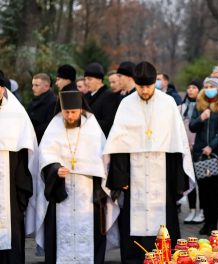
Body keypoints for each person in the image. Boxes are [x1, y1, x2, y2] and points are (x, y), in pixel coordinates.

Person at [104, 61, 196, 263]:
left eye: (148, 86)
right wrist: (120, 178)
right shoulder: (126, 104)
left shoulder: (168, 103)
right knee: (133, 226)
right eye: (140, 86)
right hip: (134, 176)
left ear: (155, 82)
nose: (144, 91)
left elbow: (177, 146)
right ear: (134, 83)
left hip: (162, 176)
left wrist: (176, 181)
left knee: (164, 226)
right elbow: (118, 145)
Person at [35, 91, 119, 264]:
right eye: (67, 112)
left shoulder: (93, 129)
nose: (70, 116)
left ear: (81, 109)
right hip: (60, 192)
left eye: (74, 112)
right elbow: (44, 158)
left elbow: (102, 163)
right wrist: (55, 169)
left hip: (87, 192)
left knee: (89, 233)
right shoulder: (54, 127)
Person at [0, 76, 38, 263]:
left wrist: (22, 190)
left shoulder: (17, 114)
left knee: (12, 230)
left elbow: (27, 154)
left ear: (2, 89)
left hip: (10, 185)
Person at [189, 77, 218, 235]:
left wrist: (212, 145)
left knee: (215, 191)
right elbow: (192, 127)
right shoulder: (199, 105)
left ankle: (213, 223)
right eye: (206, 86)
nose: (208, 89)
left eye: (211, 86)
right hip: (200, 154)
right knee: (204, 190)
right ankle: (206, 222)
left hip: (215, 154)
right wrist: (201, 118)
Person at [179, 80, 204, 224]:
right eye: (188, 87)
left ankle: (201, 210)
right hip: (185, 148)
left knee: (200, 180)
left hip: (198, 148)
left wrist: (195, 143)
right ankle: (192, 209)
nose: (190, 90)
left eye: (194, 87)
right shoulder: (181, 108)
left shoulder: (202, 107)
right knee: (189, 179)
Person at [84, 62, 121, 136]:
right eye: (85, 79)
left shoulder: (109, 96)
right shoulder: (85, 96)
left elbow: (108, 124)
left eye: (89, 79)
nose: (86, 82)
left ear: (99, 80)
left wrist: (85, 121)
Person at [27, 73, 57, 143]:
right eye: (33, 85)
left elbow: (51, 124)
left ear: (46, 86)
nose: (33, 88)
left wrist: (33, 130)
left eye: (36, 85)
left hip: (44, 142)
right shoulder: (34, 100)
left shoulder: (53, 102)